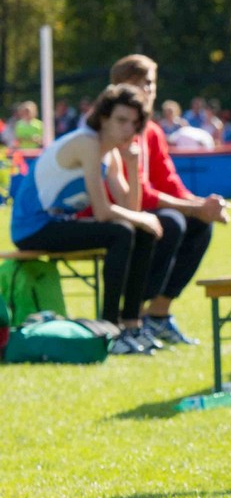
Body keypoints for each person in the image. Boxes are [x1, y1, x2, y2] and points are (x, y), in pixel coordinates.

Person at [9, 84, 164, 354]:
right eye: (121, 120)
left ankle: (131, 324)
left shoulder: (111, 154)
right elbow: (103, 212)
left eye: (134, 123)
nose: (128, 129)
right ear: (103, 118)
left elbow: (130, 208)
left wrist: (131, 166)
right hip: (32, 227)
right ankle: (110, 328)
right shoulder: (86, 143)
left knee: (141, 232)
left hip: (58, 225)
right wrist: (142, 218)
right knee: (122, 232)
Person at [106, 55, 231, 346]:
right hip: (111, 211)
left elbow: (169, 182)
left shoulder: (152, 130)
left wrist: (205, 206)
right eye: (138, 83)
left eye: (150, 83)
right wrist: (194, 207)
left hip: (140, 208)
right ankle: (133, 315)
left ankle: (158, 314)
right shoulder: (115, 127)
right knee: (171, 223)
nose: (147, 90)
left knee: (199, 224)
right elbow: (138, 192)